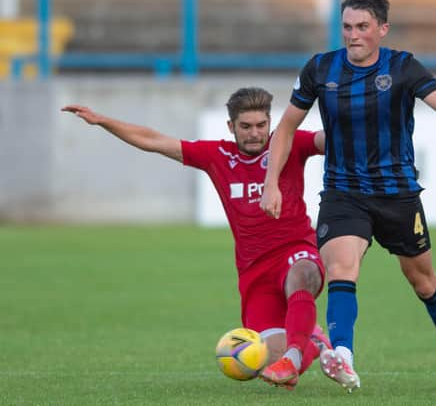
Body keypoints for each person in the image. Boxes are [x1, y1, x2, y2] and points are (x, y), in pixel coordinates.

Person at [260, 0, 436, 393]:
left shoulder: (403, 67)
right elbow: (287, 128)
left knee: (424, 282)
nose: (353, 35)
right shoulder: (320, 68)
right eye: (346, 27)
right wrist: (271, 181)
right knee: (342, 267)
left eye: (362, 27)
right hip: (344, 191)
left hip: (397, 194)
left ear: (382, 29)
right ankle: (343, 355)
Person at [62, 87, 331, 391]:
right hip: (254, 272)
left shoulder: (290, 144)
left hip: (296, 249)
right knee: (263, 362)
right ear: (231, 127)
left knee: (302, 274)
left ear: (270, 123)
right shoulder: (217, 156)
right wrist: (102, 121)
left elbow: (328, 139)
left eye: (261, 125)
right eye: (246, 126)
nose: (255, 133)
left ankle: (295, 354)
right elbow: (154, 141)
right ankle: (314, 341)